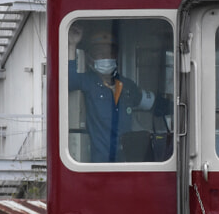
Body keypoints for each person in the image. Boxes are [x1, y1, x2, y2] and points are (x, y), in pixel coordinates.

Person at [68, 25, 172, 163]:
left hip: (126, 162)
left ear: (116, 56)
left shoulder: (127, 86)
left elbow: (152, 103)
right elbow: (69, 79)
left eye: (110, 53)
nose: (106, 57)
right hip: (100, 163)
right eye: (100, 53)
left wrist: (177, 107)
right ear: (90, 58)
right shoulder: (88, 81)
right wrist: (72, 44)